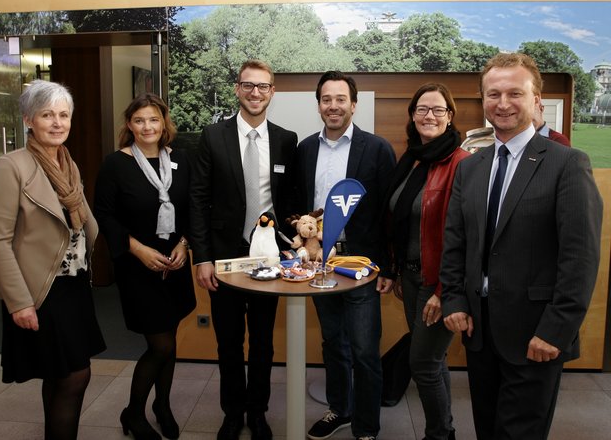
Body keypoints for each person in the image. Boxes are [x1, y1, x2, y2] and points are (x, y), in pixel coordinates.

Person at [441, 53, 603, 440]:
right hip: (479, 332)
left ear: (537, 102)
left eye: (515, 93)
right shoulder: (470, 167)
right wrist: (454, 300)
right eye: (493, 94)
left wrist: (556, 330)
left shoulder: (567, 164)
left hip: (536, 335)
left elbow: (579, 258)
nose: (503, 103)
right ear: (483, 102)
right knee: (487, 427)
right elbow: (456, 242)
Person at [0, 79, 106, 440]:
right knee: (75, 376)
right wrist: (19, 302)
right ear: (28, 120)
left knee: (60, 375)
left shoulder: (67, 163)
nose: (57, 122)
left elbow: (81, 219)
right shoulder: (12, 166)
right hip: (40, 290)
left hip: (73, 286)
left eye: (63, 115)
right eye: (47, 114)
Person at [189, 59, 297, 440]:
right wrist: (201, 258)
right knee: (229, 342)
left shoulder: (287, 139)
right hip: (225, 258)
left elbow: (290, 202)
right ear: (237, 89)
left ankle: (258, 411)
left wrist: (294, 246)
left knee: (264, 343)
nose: (255, 93)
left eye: (263, 86)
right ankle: (232, 412)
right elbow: (198, 200)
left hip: (269, 259)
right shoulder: (212, 136)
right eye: (248, 86)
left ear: (272, 91)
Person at [297, 71, 396, 440]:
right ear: (319, 104)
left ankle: (367, 427)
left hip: (362, 266)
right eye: (326, 99)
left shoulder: (377, 149)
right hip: (320, 266)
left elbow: (389, 212)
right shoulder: (306, 149)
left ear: (354, 104)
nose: (333, 106)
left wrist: (390, 266)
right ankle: (339, 409)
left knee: (365, 350)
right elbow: (300, 206)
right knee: (332, 344)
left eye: (341, 99)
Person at [94, 93, 196, 440]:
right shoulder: (115, 164)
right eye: (139, 120)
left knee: (169, 336)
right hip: (138, 267)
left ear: (164, 123)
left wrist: (184, 244)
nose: (147, 126)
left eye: (154, 119)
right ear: (129, 125)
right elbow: (104, 215)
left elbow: (193, 209)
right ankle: (134, 413)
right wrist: (138, 250)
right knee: (161, 345)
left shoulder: (181, 159)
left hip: (175, 262)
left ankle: (162, 406)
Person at [384, 83, 469, 440]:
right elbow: (400, 219)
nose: (429, 116)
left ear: (450, 117)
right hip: (413, 277)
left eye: (437, 110)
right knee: (432, 361)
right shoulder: (411, 159)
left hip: (439, 285)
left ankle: (439, 434)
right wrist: (399, 270)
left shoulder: (462, 163)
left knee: (422, 362)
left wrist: (443, 291)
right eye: (422, 109)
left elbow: (464, 236)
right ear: (412, 115)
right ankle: (443, 428)